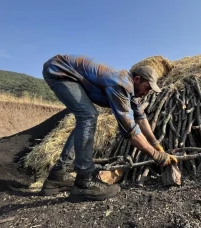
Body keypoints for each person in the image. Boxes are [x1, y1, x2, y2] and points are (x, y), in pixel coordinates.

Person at [40, 54, 178, 202]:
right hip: (60, 70)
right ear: (137, 79)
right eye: (147, 88)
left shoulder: (133, 92)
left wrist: (156, 145)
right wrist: (156, 156)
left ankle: (57, 176)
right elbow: (130, 129)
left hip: (68, 72)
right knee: (88, 116)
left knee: (86, 117)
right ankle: (84, 182)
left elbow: (141, 118)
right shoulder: (121, 84)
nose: (147, 93)